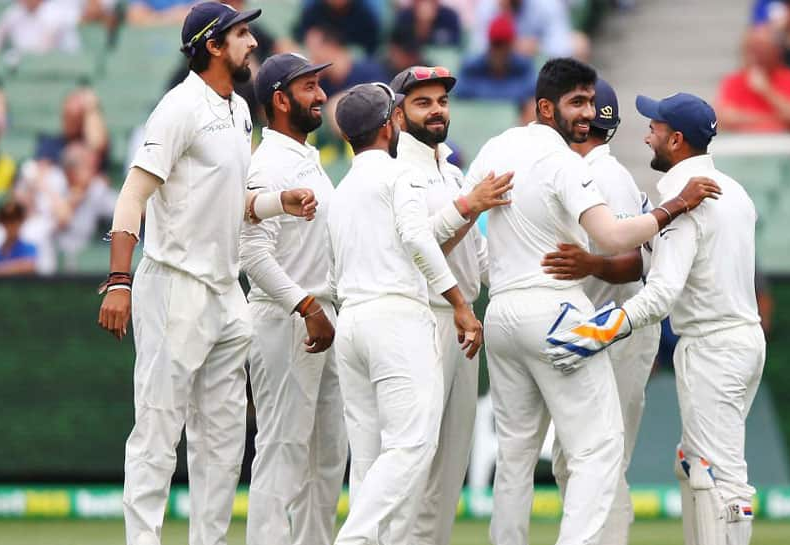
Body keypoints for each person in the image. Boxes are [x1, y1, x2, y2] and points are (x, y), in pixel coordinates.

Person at [465, 58, 719, 545]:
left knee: (522, 457)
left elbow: (464, 221)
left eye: (586, 104)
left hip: (516, 312)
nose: (582, 114)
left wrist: (474, 286)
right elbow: (623, 244)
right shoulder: (569, 165)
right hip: (570, 319)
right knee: (597, 455)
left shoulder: (505, 147)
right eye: (575, 103)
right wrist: (673, 206)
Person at [95, 5, 318, 545]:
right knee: (157, 430)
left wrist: (276, 202)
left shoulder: (241, 110)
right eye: (241, 34)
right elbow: (133, 194)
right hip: (173, 285)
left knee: (220, 443)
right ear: (213, 45)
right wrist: (119, 281)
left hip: (225, 293)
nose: (252, 43)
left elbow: (227, 201)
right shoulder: (178, 108)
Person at [546, 92, 764, 545]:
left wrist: (596, 333)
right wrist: (595, 265)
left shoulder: (690, 204)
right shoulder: (733, 192)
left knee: (721, 479)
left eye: (655, 129)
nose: (647, 136)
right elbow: (654, 263)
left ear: (677, 140)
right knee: (694, 463)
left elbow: (662, 293)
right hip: (736, 342)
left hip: (713, 348)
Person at [326, 82, 492, 545]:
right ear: (390, 124)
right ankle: (354, 539)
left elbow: (332, 271)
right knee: (413, 444)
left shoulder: (342, 186)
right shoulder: (397, 175)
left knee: (369, 458)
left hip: (352, 320)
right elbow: (419, 240)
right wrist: (460, 303)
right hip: (397, 316)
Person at [542, 79, 662, 545]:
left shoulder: (605, 176)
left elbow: (638, 260)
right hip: (595, 330)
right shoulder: (580, 171)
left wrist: (590, 263)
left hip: (619, 330)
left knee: (600, 461)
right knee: (577, 460)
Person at [238, 53, 347, 545]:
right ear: (280, 100)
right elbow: (252, 256)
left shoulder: (307, 158)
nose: (321, 95)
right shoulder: (267, 164)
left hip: (320, 318)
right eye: (308, 87)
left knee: (326, 462)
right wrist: (307, 307)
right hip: (287, 320)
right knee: (281, 453)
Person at [388, 65, 492, 545]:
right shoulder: (398, 173)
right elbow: (415, 250)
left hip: (462, 317)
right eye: (423, 102)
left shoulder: (451, 171)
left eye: (442, 102)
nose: (436, 111)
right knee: (417, 458)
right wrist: (470, 205)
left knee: (451, 465)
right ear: (398, 112)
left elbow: (475, 254)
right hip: (422, 317)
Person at [716, 26, 790, 133]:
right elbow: (724, 118)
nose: (754, 53)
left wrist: (766, 90)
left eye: (761, 47)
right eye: (751, 47)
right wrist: (775, 120)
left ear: (777, 50)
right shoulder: (733, 81)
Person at [453, 14, 536, 102]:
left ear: (511, 46)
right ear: (490, 44)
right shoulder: (471, 67)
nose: (500, 51)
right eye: (496, 44)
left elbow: (532, 90)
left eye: (505, 45)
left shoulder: (524, 67)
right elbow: (459, 90)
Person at [0, 0, 82, 56]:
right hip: (28, 65)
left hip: (62, 63)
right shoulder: (15, 11)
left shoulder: (54, 11)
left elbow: (45, 48)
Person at [293, 0, 382, 55]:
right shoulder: (315, 9)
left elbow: (371, 47)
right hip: (318, 54)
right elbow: (300, 34)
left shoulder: (363, 12)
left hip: (350, 59)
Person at [392, 0, 463, 47]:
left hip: (440, 60)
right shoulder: (404, 15)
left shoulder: (449, 16)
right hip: (409, 61)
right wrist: (421, 24)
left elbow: (456, 45)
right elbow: (395, 44)